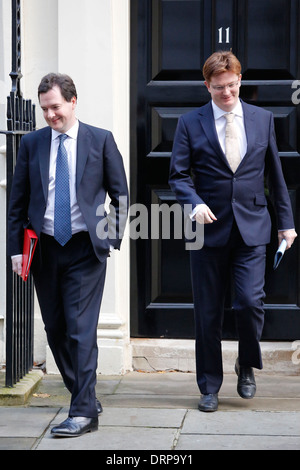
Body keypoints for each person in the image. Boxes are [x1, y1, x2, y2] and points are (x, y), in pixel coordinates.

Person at [169, 51, 297, 412]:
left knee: (250, 303)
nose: (227, 93)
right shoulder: (189, 123)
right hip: (207, 231)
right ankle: (209, 385)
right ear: (207, 85)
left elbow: (275, 174)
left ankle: (246, 363)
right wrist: (193, 202)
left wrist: (286, 223)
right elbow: (177, 175)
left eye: (232, 85)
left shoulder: (262, 119)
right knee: (207, 312)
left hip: (253, 227)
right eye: (219, 87)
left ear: (240, 80)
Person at [8, 73, 129, 435]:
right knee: (56, 327)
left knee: (80, 329)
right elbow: (17, 204)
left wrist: (108, 238)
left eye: (55, 107)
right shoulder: (32, 144)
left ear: (73, 101)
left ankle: (82, 414)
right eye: (44, 109)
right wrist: (16, 251)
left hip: (83, 249)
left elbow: (120, 195)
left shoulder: (100, 140)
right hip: (44, 249)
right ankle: (85, 394)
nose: (49, 115)